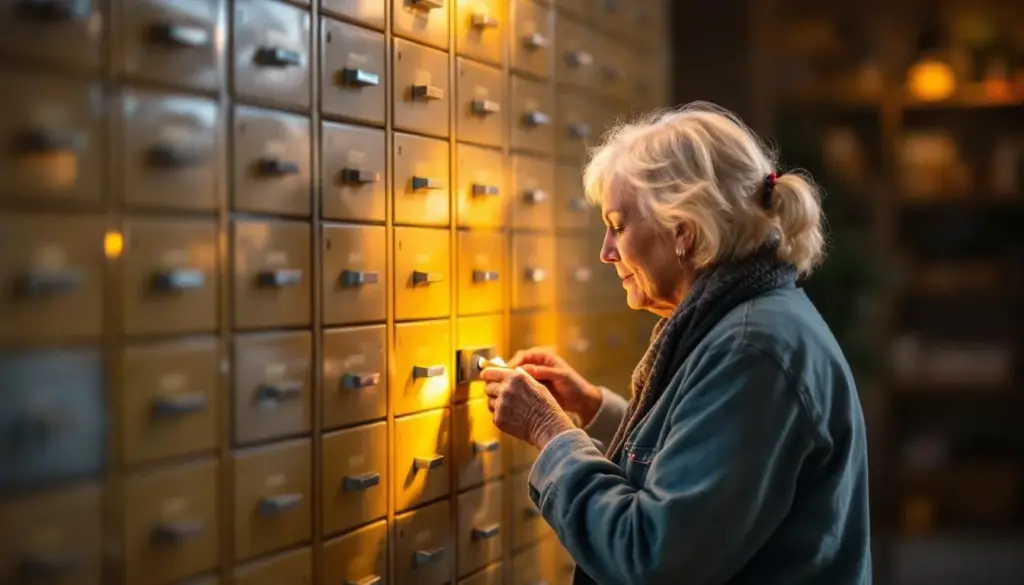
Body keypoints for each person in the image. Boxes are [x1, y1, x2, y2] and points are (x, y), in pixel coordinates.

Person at [482, 102, 872, 585]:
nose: (606, 252)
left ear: (682, 232)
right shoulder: (750, 321)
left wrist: (550, 431)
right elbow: (704, 470)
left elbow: (652, 557)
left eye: (618, 226)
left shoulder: (751, 351)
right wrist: (593, 409)